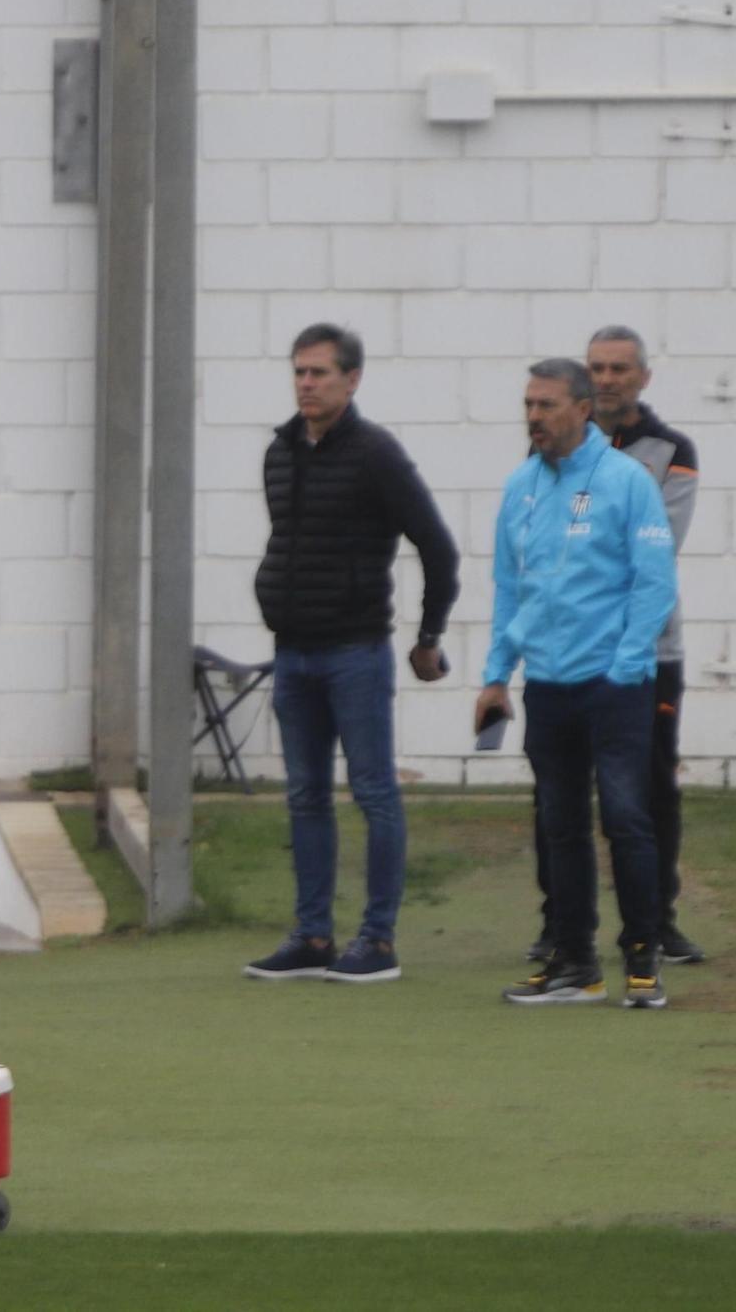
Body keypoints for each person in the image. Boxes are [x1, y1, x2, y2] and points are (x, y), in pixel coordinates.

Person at [243, 323, 459, 984]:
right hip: (294, 653)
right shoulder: (280, 452)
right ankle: (312, 936)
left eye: (320, 373)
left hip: (356, 652)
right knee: (305, 795)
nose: (306, 383)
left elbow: (437, 546)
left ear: (352, 379)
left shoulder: (376, 454)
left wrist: (428, 637)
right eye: (299, 372)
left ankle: (378, 939)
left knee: (373, 791)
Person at [478, 358, 675, 1008]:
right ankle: (574, 961)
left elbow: (654, 583)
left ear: (582, 408)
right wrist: (495, 675)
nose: (533, 417)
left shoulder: (626, 481)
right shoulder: (520, 487)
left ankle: (642, 956)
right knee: (558, 821)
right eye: (528, 405)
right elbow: (512, 588)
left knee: (624, 816)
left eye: (547, 405)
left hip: (614, 684)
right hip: (549, 686)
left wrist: (623, 666)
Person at [526, 327, 705, 964]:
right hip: (564, 654)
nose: (606, 379)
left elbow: (652, 548)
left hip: (646, 655)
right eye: (596, 368)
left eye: (619, 369)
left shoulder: (670, 450)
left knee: (648, 789)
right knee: (558, 795)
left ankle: (656, 922)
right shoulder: (551, 447)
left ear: (643, 378)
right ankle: (560, 926)